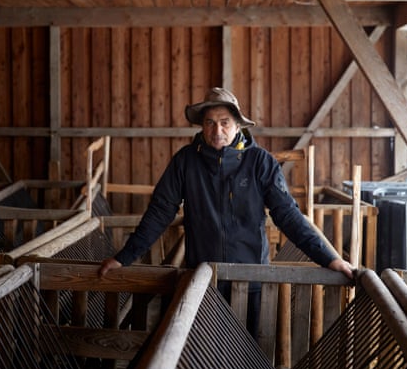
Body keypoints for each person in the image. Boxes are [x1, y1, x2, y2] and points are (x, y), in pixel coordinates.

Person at [99, 87, 355, 336]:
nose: (217, 130)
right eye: (209, 123)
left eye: (224, 122)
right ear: (201, 126)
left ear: (238, 125)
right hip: (203, 279)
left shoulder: (260, 163)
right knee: (205, 355)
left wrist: (329, 258)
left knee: (246, 353)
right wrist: (124, 257)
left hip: (252, 280)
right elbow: (159, 212)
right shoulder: (186, 161)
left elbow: (287, 215)